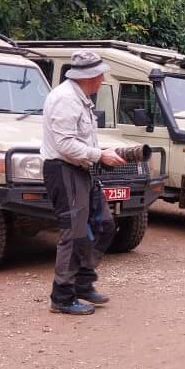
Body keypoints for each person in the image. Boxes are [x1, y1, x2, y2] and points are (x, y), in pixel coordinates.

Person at [41, 50, 127, 315]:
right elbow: (65, 144)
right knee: (74, 233)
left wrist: (100, 154)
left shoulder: (81, 98)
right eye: (100, 74)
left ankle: (82, 282)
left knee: (103, 224)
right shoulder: (66, 99)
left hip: (80, 169)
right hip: (63, 169)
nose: (103, 79)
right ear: (90, 76)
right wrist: (100, 155)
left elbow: (80, 141)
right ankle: (62, 297)